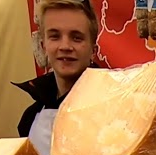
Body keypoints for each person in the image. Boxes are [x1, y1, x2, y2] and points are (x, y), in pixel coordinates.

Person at [15, 0, 99, 138]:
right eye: (55, 36)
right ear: (44, 46)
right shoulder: (30, 119)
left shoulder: (116, 112)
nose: (65, 46)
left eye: (76, 38)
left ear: (93, 50)